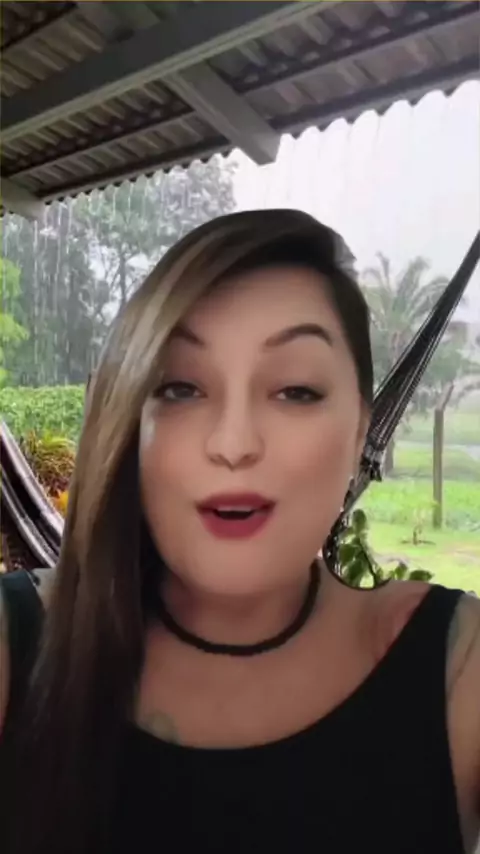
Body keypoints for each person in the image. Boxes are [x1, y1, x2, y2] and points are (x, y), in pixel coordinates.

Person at [0, 209, 479, 854]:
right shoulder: (16, 644)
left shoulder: (458, 669)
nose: (233, 444)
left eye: (296, 391)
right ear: (124, 422)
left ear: (362, 430)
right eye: (180, 388)